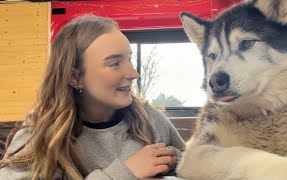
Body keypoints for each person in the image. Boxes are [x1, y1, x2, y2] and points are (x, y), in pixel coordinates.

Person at [0, 14, 185, 180]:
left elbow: (195, 165)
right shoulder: (37, 136)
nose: (134, 73)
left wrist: (175, 161)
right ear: (74, 77)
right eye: (115, 63)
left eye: (129, 59)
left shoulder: (151, 119)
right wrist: (123, 173)